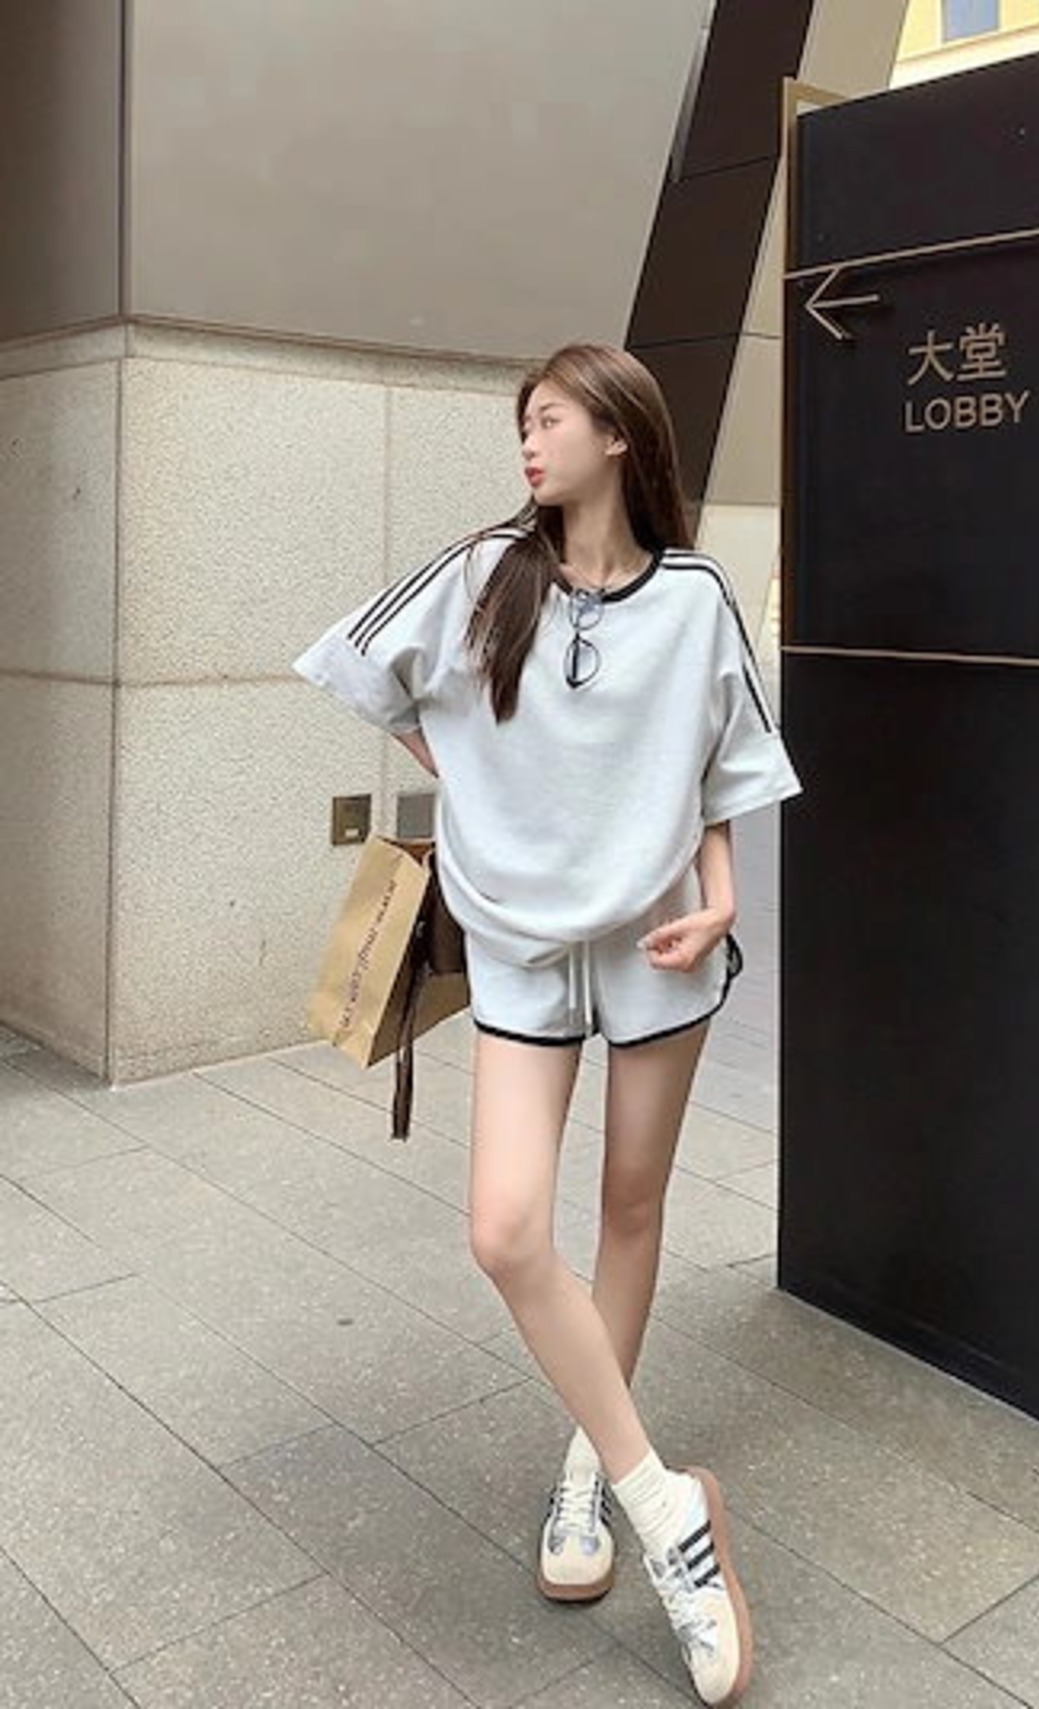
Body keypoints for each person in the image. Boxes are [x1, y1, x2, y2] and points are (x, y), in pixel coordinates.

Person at [293, 342, 802, 1707]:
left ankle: (587, 1471)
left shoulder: (694, 597)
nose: (530, 438)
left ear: (620, 435)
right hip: (520, 945)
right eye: (524, 418)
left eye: (554, 417)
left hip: (659, 943)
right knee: (507, 1228)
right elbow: (362, 666)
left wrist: (721, 894)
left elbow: (721, 763)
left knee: (630, 1208)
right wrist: (477, 782)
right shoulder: (483, 572)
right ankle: (666, 1504)